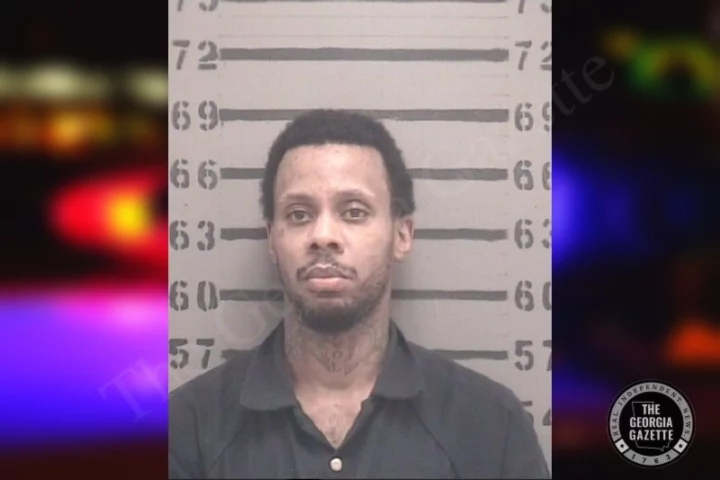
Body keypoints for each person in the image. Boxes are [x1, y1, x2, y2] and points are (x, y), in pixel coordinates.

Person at [169, 109, 550, 479]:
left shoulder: (491, 426)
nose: (323, 236)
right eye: (299, 214)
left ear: (402, 235)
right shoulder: (187, 428)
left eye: (354, 211)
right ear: (272, 240)